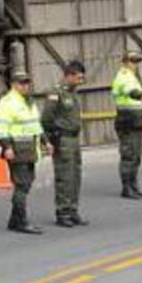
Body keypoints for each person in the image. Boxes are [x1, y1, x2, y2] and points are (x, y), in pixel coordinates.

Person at [0, 69, 49, 234]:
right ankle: (22, 222)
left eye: (26, 83)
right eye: (21, 83)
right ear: (13, 85)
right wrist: (7, 147)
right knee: (21, 185)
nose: (25, 86)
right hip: (17, 149)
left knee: (26, 183)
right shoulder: (7, 102)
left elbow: (35, 125)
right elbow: (1, 128)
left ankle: (14, 221)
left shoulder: (28, 101)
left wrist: (45, 141)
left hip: (30, 149)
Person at [41, 59, 88, 227]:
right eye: (79, 77)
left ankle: (73, 210)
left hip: (74, 139)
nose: (81, 81)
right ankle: (62, 212)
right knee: (64, 177)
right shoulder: (56, 93)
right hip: (63, 139)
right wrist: (52, 139)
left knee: (75, 176)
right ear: (69, 76)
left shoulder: (72, 93)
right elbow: (46, 118)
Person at [112, 49, 142, 199]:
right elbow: (133, 93)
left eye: (137, 61)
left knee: (137, 154)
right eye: (133, 61)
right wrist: (140, 93)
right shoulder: (123, 76)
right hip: (127, 121)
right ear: (125, 62)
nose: (135, 64)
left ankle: (134, 186)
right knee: (129, 155)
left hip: (135, 121)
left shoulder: (133, 76)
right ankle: (127, 188)